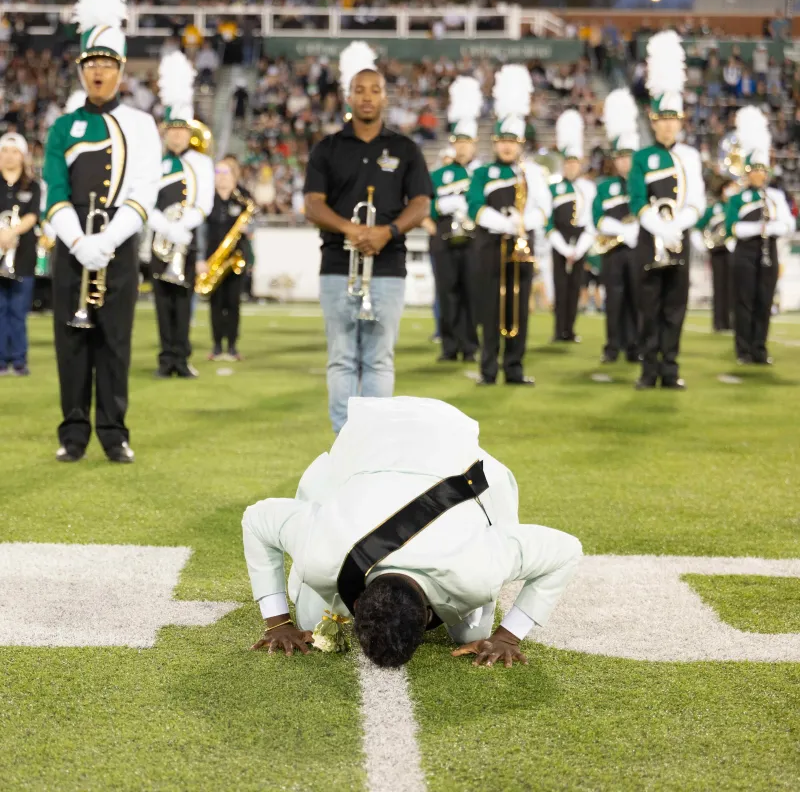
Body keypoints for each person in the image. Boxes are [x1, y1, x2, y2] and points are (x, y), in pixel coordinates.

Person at [243, 396, 583, 668]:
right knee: (310, 615)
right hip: (368, 439)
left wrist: (509, 637)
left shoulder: (476, 568)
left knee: (473, 628)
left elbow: (566, 551)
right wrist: (277, 623)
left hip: (451, 440)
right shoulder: (324, 548)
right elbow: (257, 520)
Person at [43, 0, 161, 463]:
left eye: (107, 63)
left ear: (121, 69)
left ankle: (114, 434)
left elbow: (145, 189)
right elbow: (53, 190)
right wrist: (77, 240)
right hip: (73, 245)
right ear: (80, 69)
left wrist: (108, 241)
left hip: (119, 246)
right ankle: (73, 435)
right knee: (70, 343)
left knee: (115, 340)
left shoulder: (141, 124)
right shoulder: (62, 126)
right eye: (91, 62)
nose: (98, 71)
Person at [303, 42, 432, 434]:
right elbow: (312, 204)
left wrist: (386, 232)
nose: (367, 98)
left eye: (375, 90)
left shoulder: (405, 148)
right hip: (338, 266)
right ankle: (345, 437)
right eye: (360, 90)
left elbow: (422, 204)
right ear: (348, 95)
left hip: (389, 266)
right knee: (342, 357)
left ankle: (375, 437)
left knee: (379, 358)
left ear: (385, 97)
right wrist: (352, 229)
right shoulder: (327, 148)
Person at [629, 31, 706, 391]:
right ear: (652, 118)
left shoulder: (690, 156)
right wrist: (659, 228)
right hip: (650, 239)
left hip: (680, 237)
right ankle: (648, 370)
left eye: (674, 118)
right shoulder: (642, 158)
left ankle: (670, 370)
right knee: (649, 307)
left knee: (675, 308)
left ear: (682, 119)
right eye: (662, 118)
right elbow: (636, 198)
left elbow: (698, 201)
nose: (668, 124)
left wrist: (679, 224)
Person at [466, 65, 551, 387]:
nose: (506, 146)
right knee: (489, 309)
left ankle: (514, 367)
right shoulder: (481, 173)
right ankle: (488, 369)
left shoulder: (533, 173)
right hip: (489, 247)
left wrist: (523, 222)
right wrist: (503, 223)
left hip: (521, 245)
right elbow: (474, 207)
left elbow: (544, 210)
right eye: (501, 140)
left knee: (519, 307)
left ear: (521, 143)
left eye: (512, 141)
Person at [148, 52, 214, 379]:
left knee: (183, 302)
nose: (176, 136)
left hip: (186, 242)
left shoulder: (201, 164)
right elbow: (144, 202)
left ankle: (182, 357)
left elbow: (205, 201)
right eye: (171, 131)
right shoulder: (153, 163)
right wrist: (164, 227)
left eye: (181, 131)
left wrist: (183, 227)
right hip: (160, 241)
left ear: (189, 133)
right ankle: (165, 359)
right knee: (162, 303)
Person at [725, 106, 794, 366]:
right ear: (748, 171)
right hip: (745, 252)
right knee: (744, 300)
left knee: (764, 299)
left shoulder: (775, 196)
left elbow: (787, 223)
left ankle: (759, 348)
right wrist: (760, 228)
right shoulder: (738, 197)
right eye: (755, 169)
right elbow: (734, 228)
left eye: (763, 170)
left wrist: (772, 228)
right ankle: (743, 349)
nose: (759, 174)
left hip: (769, 251)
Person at [428, 76, 482, 363]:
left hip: (474, 240)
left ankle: (471, 346)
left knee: (471, 292)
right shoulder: (440, 174)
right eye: (458, 142)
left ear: (475, 144)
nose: (462, 147)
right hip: (443, 236)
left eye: (467, 142)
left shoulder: (482, 173)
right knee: (446, 292)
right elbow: (426, 205)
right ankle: (449, 347)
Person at [594, 88, 640, 364]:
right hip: (613, 250)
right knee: (614, 300)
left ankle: (635, 346)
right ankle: (612, 346)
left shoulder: (643, 185)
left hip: (637, 252)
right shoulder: (606, 186)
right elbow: (597, 216)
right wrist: (623, 229)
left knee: (637, 300)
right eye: (620, 157)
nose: (624, 161)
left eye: (629, 156)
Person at [547, 109, 597, 344]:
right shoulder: (554, 187)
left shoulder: (589, 188)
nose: (570, 167)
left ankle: (570, 329)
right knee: (560, 287)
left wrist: (579, 248)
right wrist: (563, 247)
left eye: (574, 163)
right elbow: (549, 221)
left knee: (576, 287)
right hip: (559, 240)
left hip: (580, 241)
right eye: (567, 163)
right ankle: (559, 330)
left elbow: (591, 222)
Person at [206, 156, 255, 361]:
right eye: (217, 173)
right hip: (213, 259)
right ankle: (217, 346)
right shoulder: (207, 197)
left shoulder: (243, 198)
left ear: (234, 176)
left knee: (233, 304)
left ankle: (233, 346)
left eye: (224, 173)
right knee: (215, 304)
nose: (220, 177)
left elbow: (254, 226)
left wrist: (248, 228)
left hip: (236, 258)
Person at [0, 133, 40, 377]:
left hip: (23, 257)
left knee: (18, 310)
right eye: (5, 151)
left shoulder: (33, 185)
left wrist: (11, 232)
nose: (9, 156)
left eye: (14, 152)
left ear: (23, 156)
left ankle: (19, 358)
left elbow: (32, 215)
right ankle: (2, 360)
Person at [692, 176, 738, 332]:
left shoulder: (736, 206)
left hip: (734, 250)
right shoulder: (714, 208)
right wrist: (702, 245)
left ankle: (732, 322)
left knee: (733, 287)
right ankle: (719, 322)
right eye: (729, 188)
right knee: (719, 287)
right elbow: (698, 227)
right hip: (718, 251)